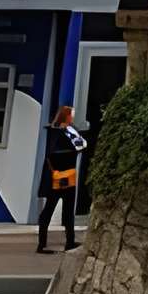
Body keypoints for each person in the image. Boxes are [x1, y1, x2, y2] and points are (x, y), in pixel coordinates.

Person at [37, 103, 86, 253]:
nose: (72, 117)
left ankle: (67, 241)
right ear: (66, 116)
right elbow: (80, 145)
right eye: (71, 114)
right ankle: (44, 244)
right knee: (54, 209)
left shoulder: (58, 131)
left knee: (63, 209)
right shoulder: (62, 132)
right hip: (60, 176)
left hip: (62, 175)